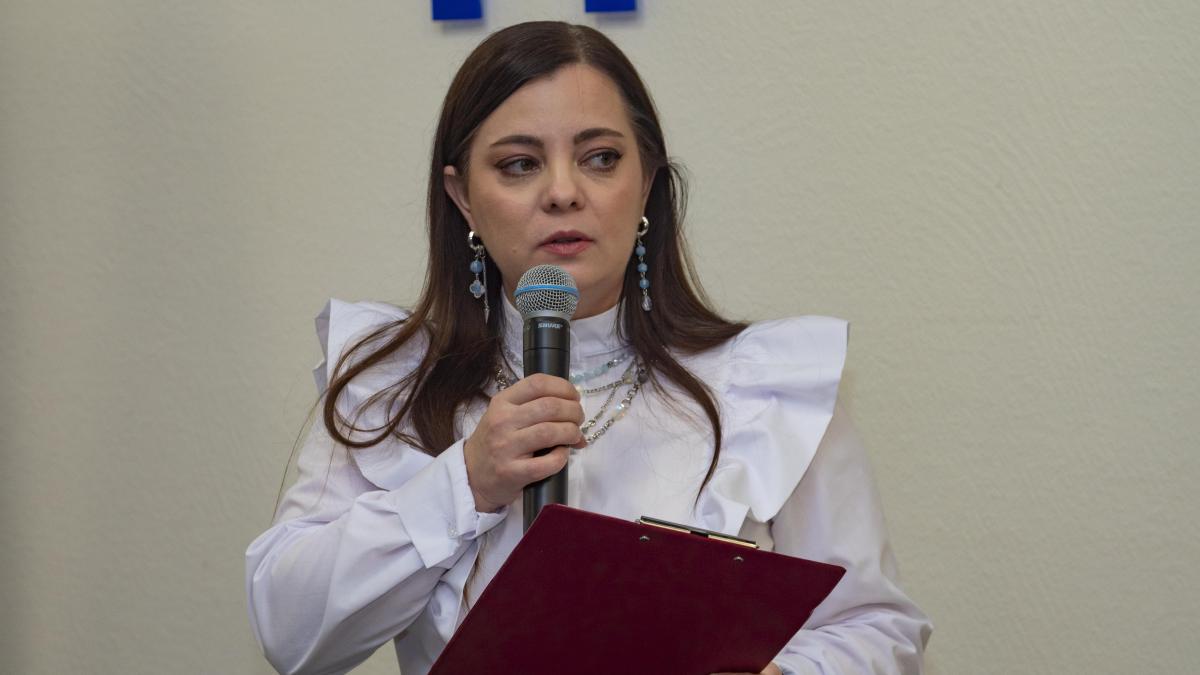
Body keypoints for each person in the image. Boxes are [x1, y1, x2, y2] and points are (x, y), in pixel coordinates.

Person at [245, 20, 930, 675]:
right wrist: (466, 482)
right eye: (519, 164)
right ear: (463, 197)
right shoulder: (396, 381)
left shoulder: (765, 386)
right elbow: (290, 633)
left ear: (647, 182)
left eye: (600, 158)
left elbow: (877, 630)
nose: (563, 193)